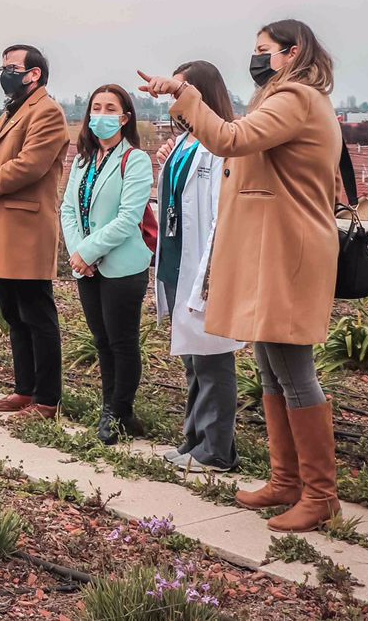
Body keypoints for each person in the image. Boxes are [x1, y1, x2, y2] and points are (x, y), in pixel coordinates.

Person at [139, 19, 343, 532]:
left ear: (292, 52)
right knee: (270, 364)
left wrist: (186, 95)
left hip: (287, 248)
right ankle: (285, 480)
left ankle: (320, 494)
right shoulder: (282, 96)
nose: (255, 58)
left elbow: (232, 140)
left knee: (294, 370)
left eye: (263, 50)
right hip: (269, 248)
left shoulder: (295, 97)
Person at [0, 44, 69, 423]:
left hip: (25, 229)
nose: (4, 73)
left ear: (34, 73)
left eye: (11, 67)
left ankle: (47, 399)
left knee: (37, 314)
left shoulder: (48, 113)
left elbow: (27, 167)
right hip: (0, 226)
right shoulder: (12, 111)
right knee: (14, 313)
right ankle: (24, 389)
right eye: (2, 66)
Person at [152, 62, 246, 472]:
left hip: (205, 264)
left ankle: (216, 449)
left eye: (181, 91)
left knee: (212, 358)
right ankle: (195, 439)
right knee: (193, 358)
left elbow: (220, 212)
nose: (176, 101)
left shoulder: (222, 143)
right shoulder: (188, 142)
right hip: (178, 260)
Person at [61, 84, 154, 444]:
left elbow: (129, 217)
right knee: (102, 340)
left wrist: (90, 252)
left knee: (122, 341)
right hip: (87, 267)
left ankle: (117, 411)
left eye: (109, 108)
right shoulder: (83, 160)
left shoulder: (135, 160)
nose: (101, 115)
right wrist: (79, 254)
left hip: (122, 266)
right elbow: (69, 209)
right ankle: (114, 409)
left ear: (125, 117)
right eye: (95, 108)